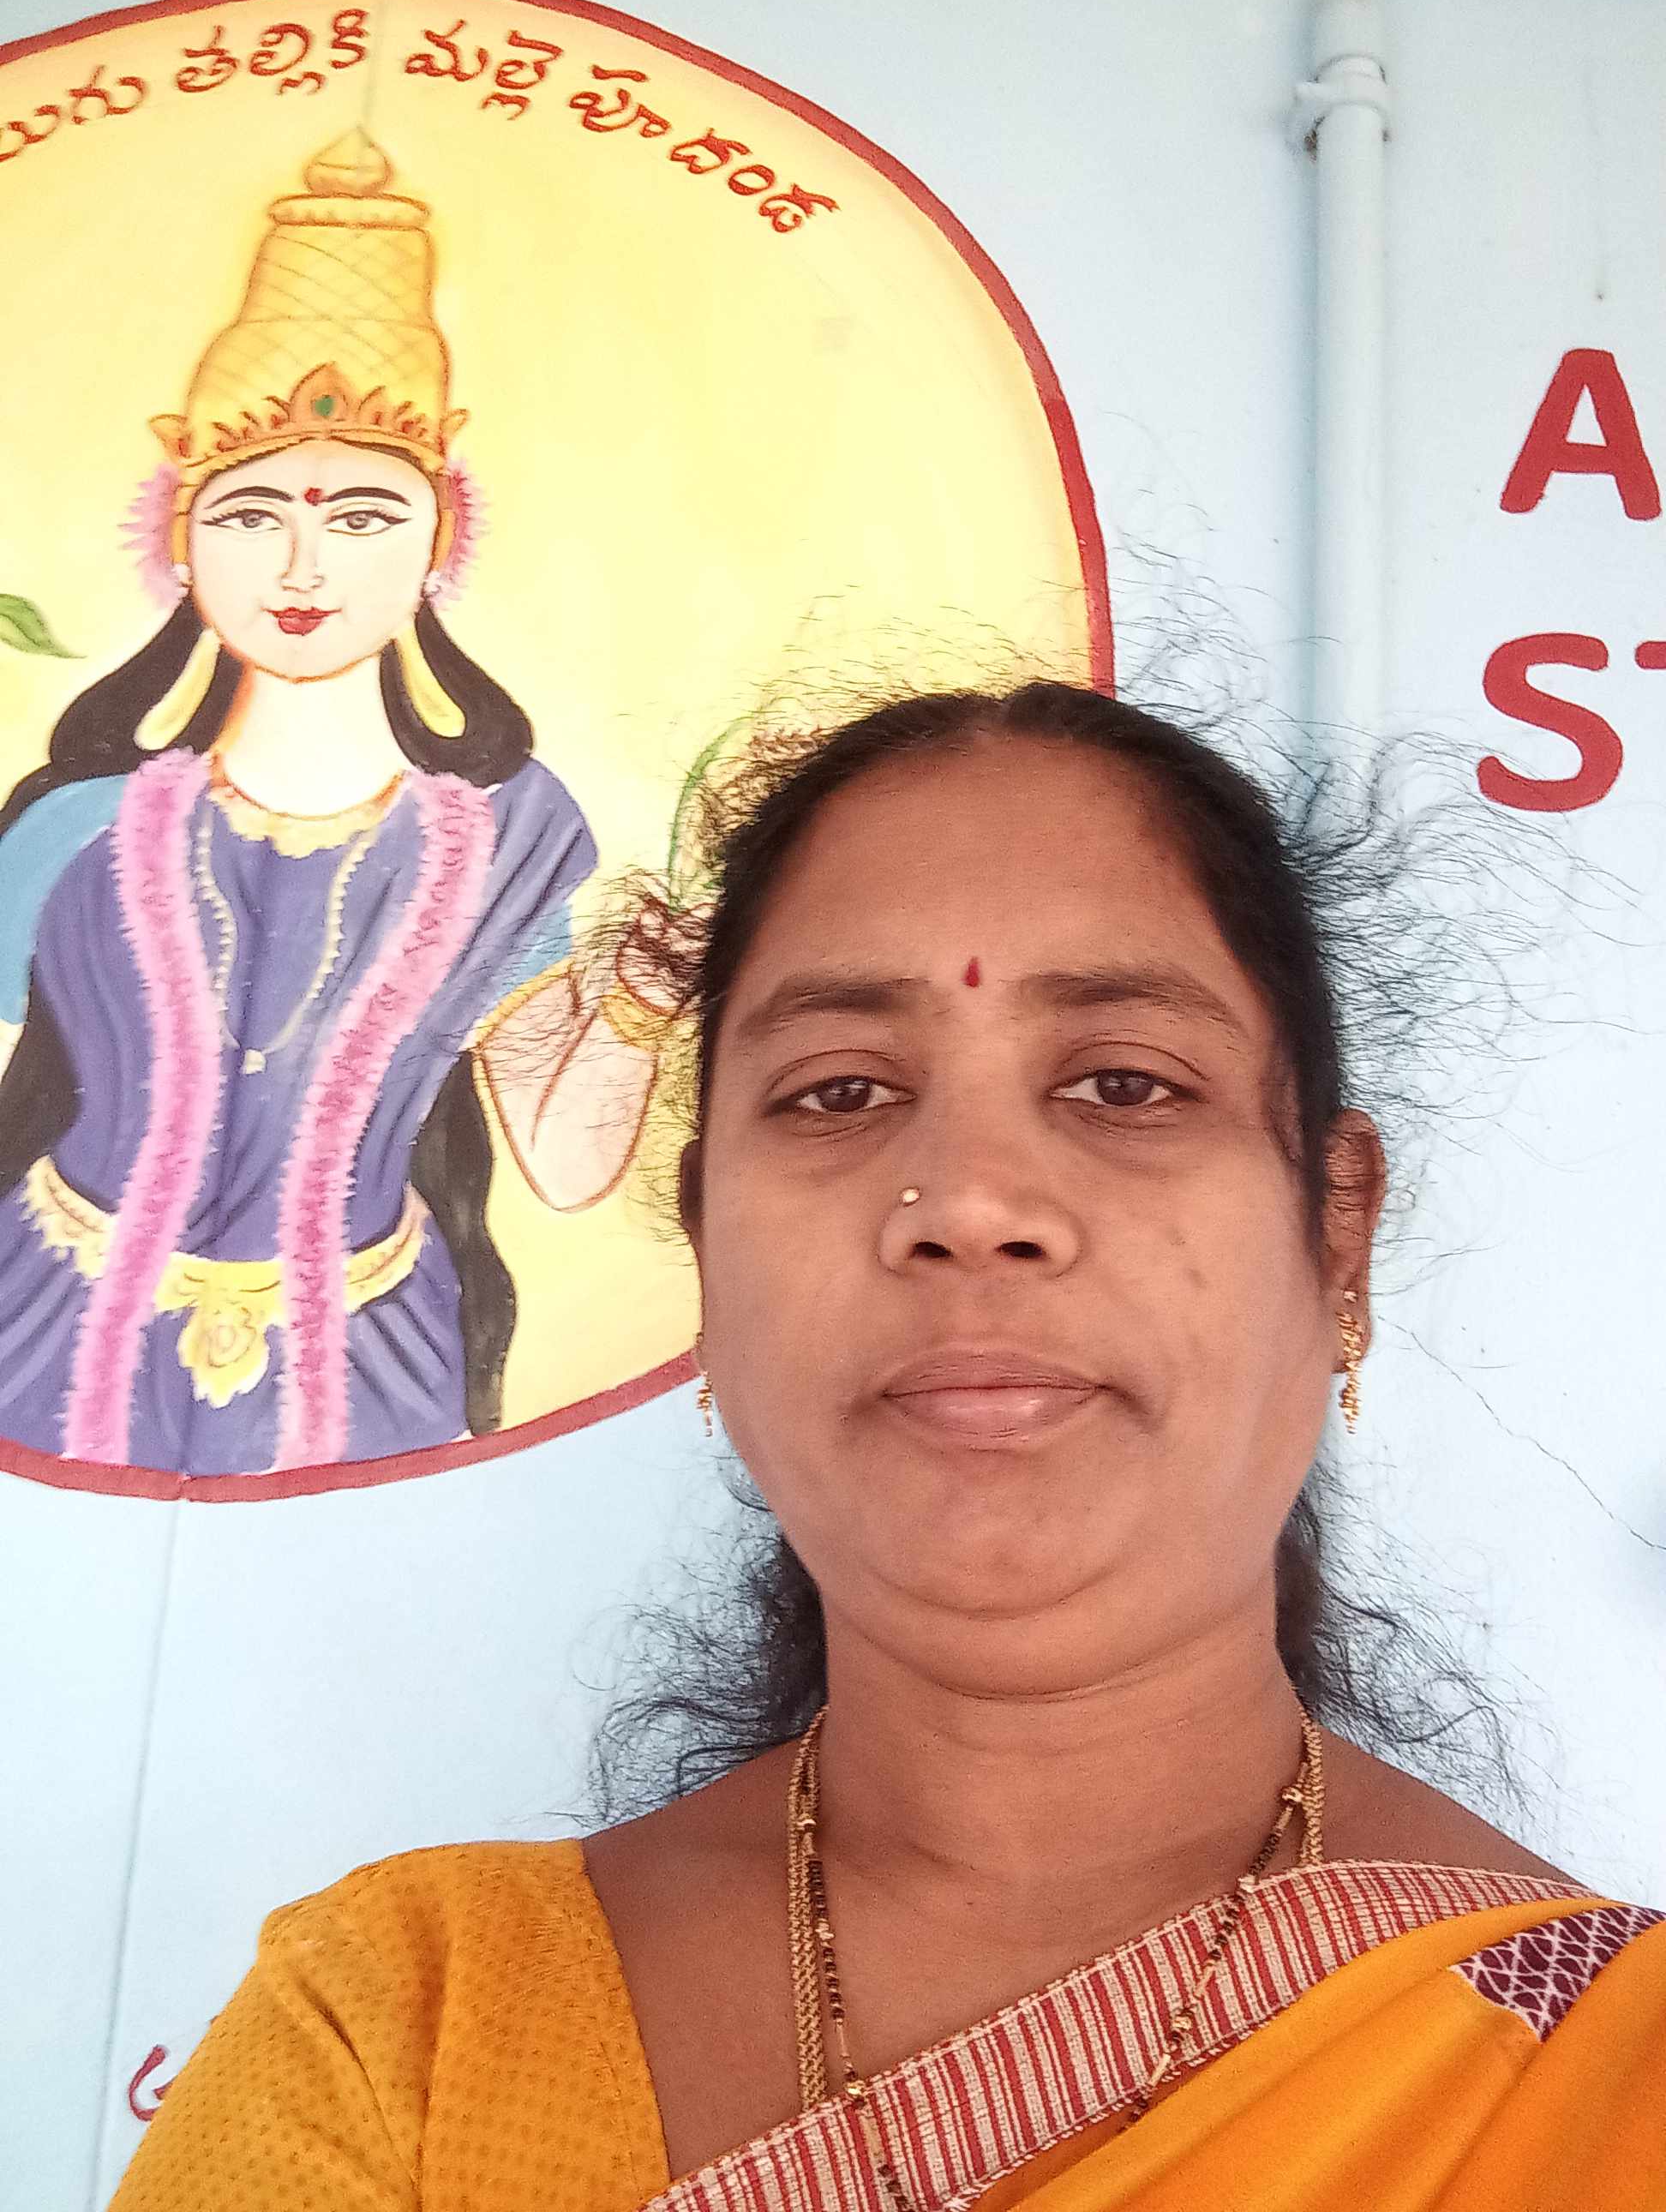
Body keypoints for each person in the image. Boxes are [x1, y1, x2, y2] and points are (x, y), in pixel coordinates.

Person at [108, 682, 1665, 2208]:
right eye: (840, 1092)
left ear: (1338, 1238)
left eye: (1124, 1084)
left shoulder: (1613, 2071)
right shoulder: (410, 2036)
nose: (971, 1204)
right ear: (709, 1256)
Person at [0, 133, 673, 1477]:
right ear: (182, 539)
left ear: (438, 541)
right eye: (252, 516)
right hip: (43, 1324)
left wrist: (646, 1004)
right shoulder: (74, 825)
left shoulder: (517, 834)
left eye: (363, 516)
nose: (303, 567)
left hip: (375, 1353)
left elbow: (564, 1167)